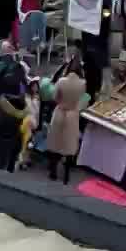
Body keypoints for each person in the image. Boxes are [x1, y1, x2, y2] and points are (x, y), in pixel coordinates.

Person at [45, 55, 87, 183]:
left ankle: (53, 172)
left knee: (55, 143)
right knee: (69, 146)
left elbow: (55, 97)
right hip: (72, 115)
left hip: (60, 112)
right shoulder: (82, 84)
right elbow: (81, 99)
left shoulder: (62, 81)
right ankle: (67, 175)